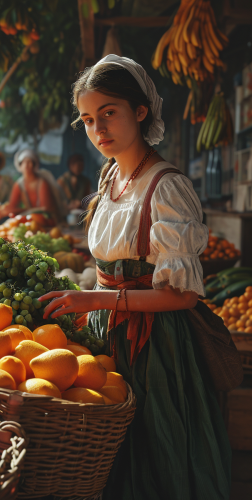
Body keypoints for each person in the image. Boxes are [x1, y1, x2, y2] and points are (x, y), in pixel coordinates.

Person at [39, 55, 231, 500]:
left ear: (140, 111)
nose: (98, 128)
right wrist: (88, 300)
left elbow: (181, 297)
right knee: (111, 457)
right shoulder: (111, 178)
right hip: (112, 332)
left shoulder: (166, 188)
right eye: (88, 119)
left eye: (109, 113)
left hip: (156, 347)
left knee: (155, 451)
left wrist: (96, 302)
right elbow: (111, 271)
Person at [0, 148, 61, 222]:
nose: (26, 165)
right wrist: (0, 208)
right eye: (23, 162)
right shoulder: (19, 184)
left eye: (29, 162)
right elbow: (12, 206)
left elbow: (46, 209)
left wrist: (24, 211)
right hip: (30, 220)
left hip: (46, 220)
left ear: (34, 165)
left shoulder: (42, 183)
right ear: (20, 165)